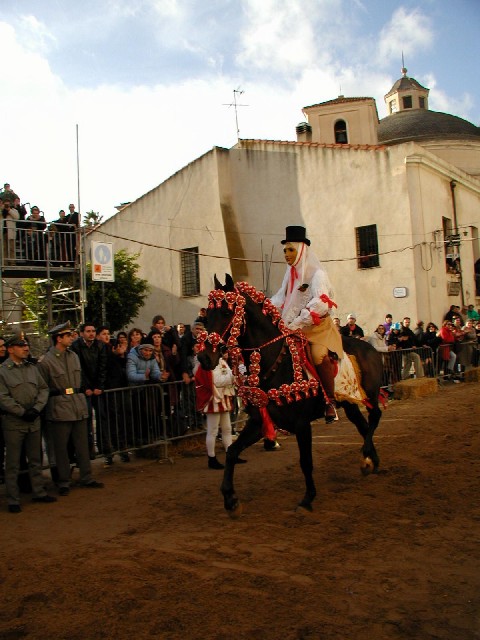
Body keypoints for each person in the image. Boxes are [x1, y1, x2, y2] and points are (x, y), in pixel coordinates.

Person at [270, 225, 343, 423]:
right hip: (294, 327)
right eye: (285, 250)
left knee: (318, 356)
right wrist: (266, 308)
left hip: (318, 328)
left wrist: (298, 322)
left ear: (301, 249)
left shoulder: (317, 274)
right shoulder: (290, 274)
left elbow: (321, 303)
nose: (286, 254)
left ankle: (330, 402)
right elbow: (280, 298)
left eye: (290, 249)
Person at [38, 322, 104, 495]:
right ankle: (63, 481)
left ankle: (86, 477)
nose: (71, 338)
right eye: (68, 335)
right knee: (61, 448)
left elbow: (80, 379)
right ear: (58, 338)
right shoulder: (46, 361)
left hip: (77, 405)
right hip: (59, 408)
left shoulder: (73, 356)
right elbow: (43, 387)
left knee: (83, 446)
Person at [0, 334, 56, 513]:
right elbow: (3, 398)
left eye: (26, 345)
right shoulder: (2, 371)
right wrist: (22, 412)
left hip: (33, 420)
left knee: (35, 459)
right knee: (13, 463)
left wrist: (36, 409)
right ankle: (13, 499)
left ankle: (39, 492)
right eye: (20, 346)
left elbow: (43, 389)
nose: (26, 348)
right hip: (14, 422)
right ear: (10, 349)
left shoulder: (32, 368)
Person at [195, 350, 244, 469]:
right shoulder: (205, 366)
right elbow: (216, 381)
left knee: (227, 428)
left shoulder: (221, 362)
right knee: (213, 430)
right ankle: (211, 458)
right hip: (213, 400)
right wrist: (229, 379)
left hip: (223, 398)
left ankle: (230, 454)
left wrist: (231, 378)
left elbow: (229, 376)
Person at [71, 322, 107, 458]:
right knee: (86, 420)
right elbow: (78, 369)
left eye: (93, 331)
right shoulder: (76, 347)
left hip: (97, 388)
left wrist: (99, 386)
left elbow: (102, 367)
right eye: (88, 331)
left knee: (102, 417)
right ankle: (88, 449)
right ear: (82, 333)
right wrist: (85, 388)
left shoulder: (100, 346)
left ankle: (103, 447)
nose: (91, 333)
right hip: (84, 389)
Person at [1, 198, 20, 265]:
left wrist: (9, 210)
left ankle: (12, 262)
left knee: (12, 248)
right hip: (3, 231)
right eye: (5, 203)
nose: (6, 205)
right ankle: (4, 262)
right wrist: (2, 209)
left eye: (8, 204)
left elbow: (17, 217)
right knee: (4, 248)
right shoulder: (1, 210)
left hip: (11, 231)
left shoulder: (14, 210)